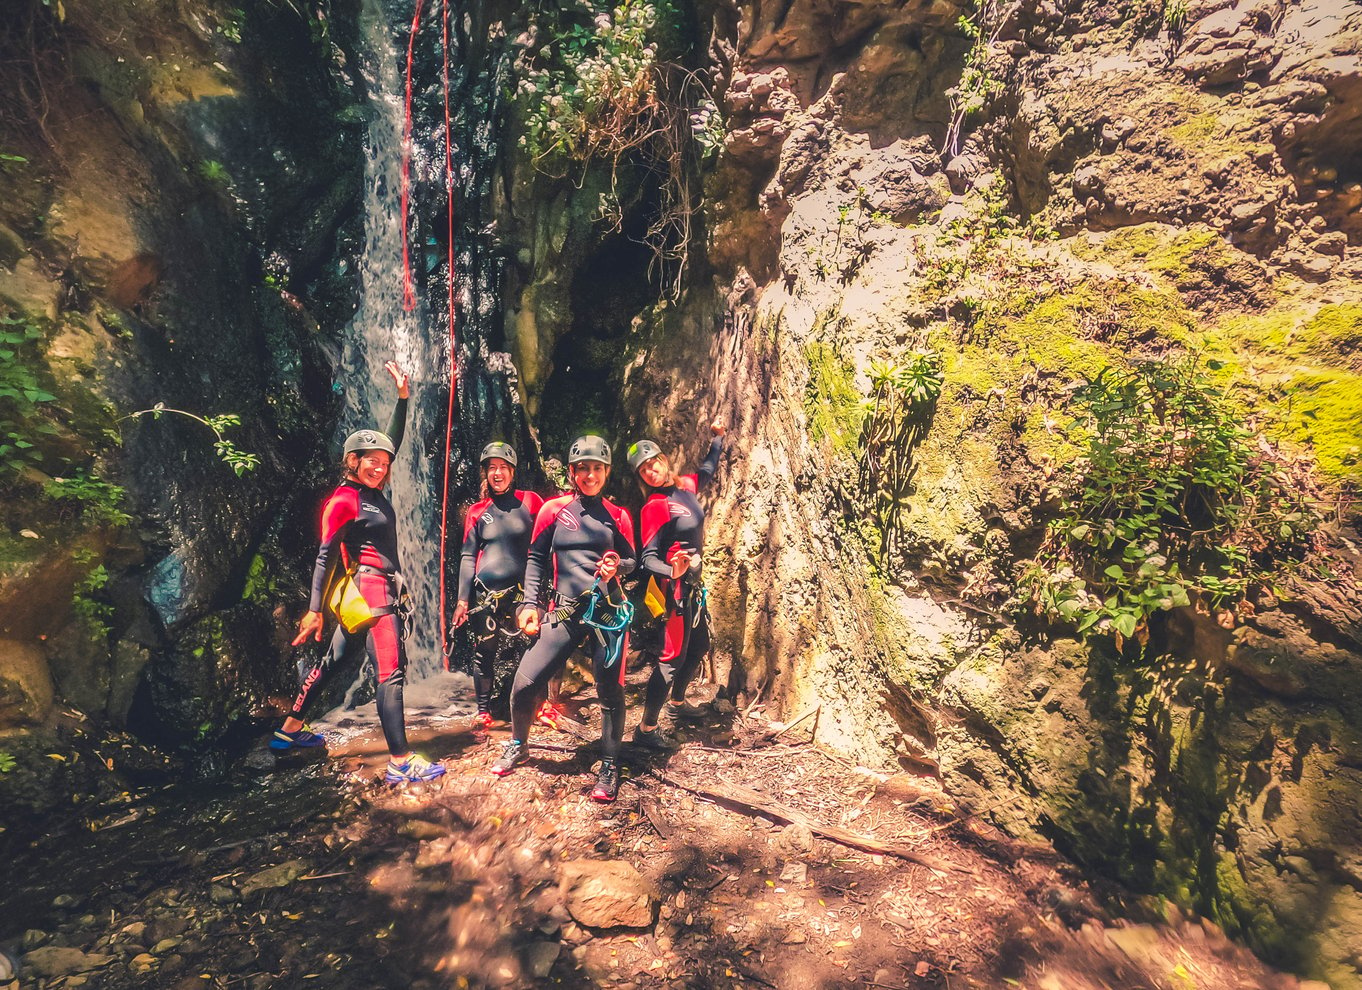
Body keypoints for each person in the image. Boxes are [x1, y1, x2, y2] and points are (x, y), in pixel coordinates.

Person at [272, 360, 446, 785]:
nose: (380, 466)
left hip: (368, 592)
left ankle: (289, 730)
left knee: (332, 660)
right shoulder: (345, 500)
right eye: (370, 460)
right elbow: (324, 554)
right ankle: (401, 761)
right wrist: (314, 610)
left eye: (383, 461)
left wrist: (403, 399)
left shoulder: (372, 491)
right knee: (392, 673)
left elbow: (391, 443)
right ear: (352, 461)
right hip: (371, 591)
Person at [490, 435, 636, 802]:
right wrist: (529, 605)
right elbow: (536, 558)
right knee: (524, 683)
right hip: (566, 611)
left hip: (607, 614)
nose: (590, 475)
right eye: (582, 468)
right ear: (572, 473)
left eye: (596, 469)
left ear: (606, 473)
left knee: (609, 691)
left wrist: (618, 566)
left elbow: (636, 562)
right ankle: (519, 744)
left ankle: (608, 764)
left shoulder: (618, 516)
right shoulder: (554, 511)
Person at [627, 421, 725, 750]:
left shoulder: (684, 486)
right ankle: (646, 728)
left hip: (694, 588)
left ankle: (678, 705)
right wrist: (673, 569)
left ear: (664, 459)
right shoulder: (654, 506)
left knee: (697, 649)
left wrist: (718, 438)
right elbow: (647, 559)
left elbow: (707, 470)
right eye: (643, 470)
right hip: (675, 593)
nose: (650, 471)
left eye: (653, 462)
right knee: (670, 661)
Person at [453, 442, 543, 727]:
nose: (498, 473)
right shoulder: (478, 512)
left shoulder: (530, 501)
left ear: (512, 472)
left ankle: (541, 704)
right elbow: (468, 556)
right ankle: (483, 710)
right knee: (485, 651)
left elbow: (547, 539)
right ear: (486, 473)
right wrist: (462, 601)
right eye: (492, 468)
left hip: (522, 592)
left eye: (503, 467)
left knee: (537, 638)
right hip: (485, 594)